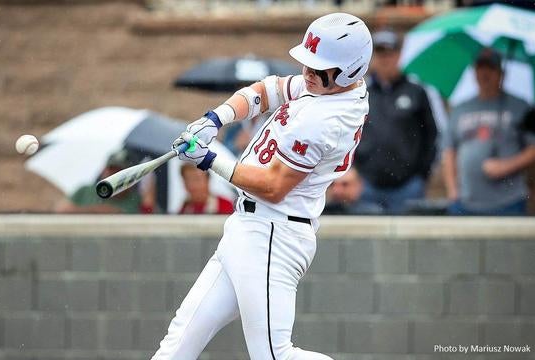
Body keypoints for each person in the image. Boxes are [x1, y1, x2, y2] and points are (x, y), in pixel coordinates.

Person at [153, 13, 372, 360]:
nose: (308, 73)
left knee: (273, 355)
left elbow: (272, 187)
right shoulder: (329, 88)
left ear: (350, 69)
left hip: (274, 233)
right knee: (177, 346)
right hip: (248, 228)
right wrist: (215, 119)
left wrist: (210, 159)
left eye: (319, 69)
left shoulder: (327, 119)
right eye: (308, 65)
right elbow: (266, 90)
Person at [442, 48, 535, 216]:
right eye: (480, 67)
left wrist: (507, 165)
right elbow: (449, 150)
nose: (485, 73)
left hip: (509, 202)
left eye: (490, 68)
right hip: (465, 202)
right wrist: (452, 190)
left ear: (501, 73)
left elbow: (534, 147)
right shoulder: (460, 108)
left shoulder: (521, 107)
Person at [353, 29, 438, 214]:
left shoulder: (416, 92)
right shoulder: (360, 92)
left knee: (409, 241)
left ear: (399, 55)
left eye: (390, 53)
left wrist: (422, 174)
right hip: (367, 183)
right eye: (380, 53)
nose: (385, 58)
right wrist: (355, 171)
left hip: (408, 186)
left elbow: (431, 135)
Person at [54, 150, 155, 214]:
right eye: (111, 169)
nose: (114, 175)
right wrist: (94, 211)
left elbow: (150, 225)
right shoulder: (85, 191)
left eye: (120, 172)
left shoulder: (137, 200)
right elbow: (59, 211)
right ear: (103, 171)